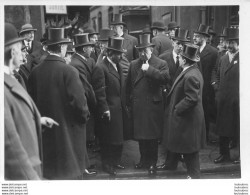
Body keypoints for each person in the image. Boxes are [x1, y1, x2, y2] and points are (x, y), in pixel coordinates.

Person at [28, 27, 90, 179]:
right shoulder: (69, 71)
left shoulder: (35, 72)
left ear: (47, 48)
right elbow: (80, 107)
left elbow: (31, 106)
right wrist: (83, 119)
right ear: (62, 47)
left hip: (46, 140)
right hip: (70, 141)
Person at [4, 23, 57, 180]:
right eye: (21, 50)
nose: (24, 55)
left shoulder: (13, 78)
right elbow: (11, 147)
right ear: (13, 52)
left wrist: (35, 121)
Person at [126, 34, 169, 176]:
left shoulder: (161, 63)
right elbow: (128, 86)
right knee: (141, 136)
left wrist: (149, 70)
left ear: (151, 49)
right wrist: (128, 103)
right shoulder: (133, 64)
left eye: (145, 50)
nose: (142, 53)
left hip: (152, 106)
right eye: (140, 50)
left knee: (152, 137)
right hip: (138, 106)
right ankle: (143, 160)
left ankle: (152, 163)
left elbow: (165, 79)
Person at [162, 43, 206, 179]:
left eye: (181, 57)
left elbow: (191, 99)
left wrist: (176, 109)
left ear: (185, 60)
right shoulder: (193, 71)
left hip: (188, 120)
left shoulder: (190, 75)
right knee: (185, 147)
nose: (179, 59)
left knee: (190, 152)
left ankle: (194, 178)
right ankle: (174, 165)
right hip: (188, 120)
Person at [95, 37, 127, 176]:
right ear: (110, 53)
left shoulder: (117, 65)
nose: (121, 56)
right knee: (108, 139)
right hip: (109, 109)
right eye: (118, 54)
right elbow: (99, 92)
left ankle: (115, 161)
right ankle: (107, 164)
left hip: (119, 108)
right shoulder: (100, 68)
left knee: (118, 138)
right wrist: (105, 108)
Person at [213, 28, 240, 164]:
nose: (230, 45)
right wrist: (217, 90)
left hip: (238, 101)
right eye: (229, 42)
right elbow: (217, 75)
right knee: (222, 129)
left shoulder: (244, 58)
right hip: (223, 100)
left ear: (239, 43)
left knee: (239, 130)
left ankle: (242, 157)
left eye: (233, 42)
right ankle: (224, 155)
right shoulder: (223, 58)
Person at [193, 24, 218, 142]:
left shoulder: (213, 52)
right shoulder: (193, 50)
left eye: (197, 37)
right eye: (194, 36)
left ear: (204, 37)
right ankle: (196, 135)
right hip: (194, 85)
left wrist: (213, 84)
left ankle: (206, 136)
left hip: (207, 88)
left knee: (206, 112)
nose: (194, 39)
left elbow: (215, 69)